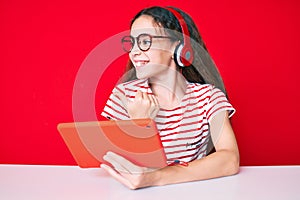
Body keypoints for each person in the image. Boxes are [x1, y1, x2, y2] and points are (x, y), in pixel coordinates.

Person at [100, 6, 239, 189]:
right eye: (132, 43)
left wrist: (157, 177)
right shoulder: (123, 95)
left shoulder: (209, 97)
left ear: (178, 46)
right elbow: (115, 163)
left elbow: (230, 159)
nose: (134, 52)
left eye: (145, 41)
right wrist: (138, 125)